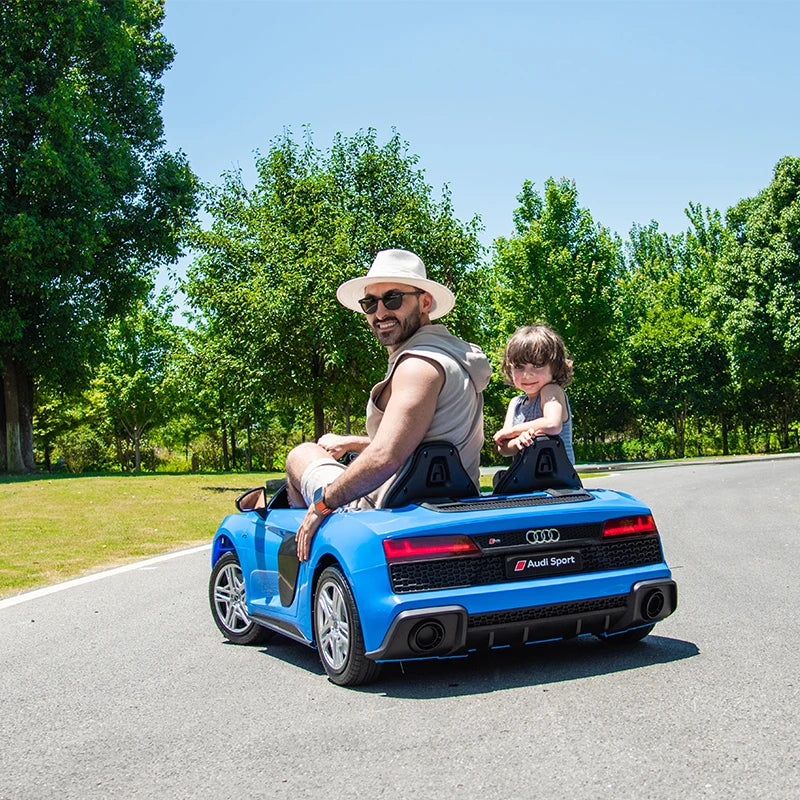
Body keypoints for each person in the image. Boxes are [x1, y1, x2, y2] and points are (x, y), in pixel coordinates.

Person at [285, 248, 492, 561]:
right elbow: (421, 438)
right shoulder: (452, 357)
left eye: (393, 299)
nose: (379, 312)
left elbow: (386, 457)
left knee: (301, 455)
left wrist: (323, 504)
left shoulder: (417, 365)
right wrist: (353, 442)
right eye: (370, 303)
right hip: (452, 496)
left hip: (386, 504)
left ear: (425, 302)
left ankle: (306, 555)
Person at [492, 324, 575, 463]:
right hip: (526, 479)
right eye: (519, 366)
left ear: (555, 367)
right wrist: (518, 440)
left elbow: (552, 424)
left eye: (537, 365)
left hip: (558, 479)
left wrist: (513, 432)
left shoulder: (551, 391)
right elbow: (504, 448)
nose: (527, 374)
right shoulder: (516, 403)